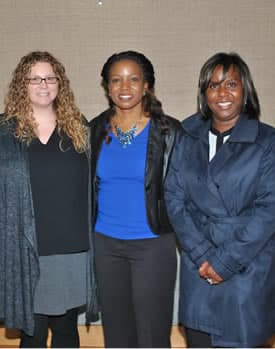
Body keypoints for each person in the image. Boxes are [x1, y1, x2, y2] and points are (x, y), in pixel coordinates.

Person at [164, 51, 275, 348]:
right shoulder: (186, 136)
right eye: (213, 85)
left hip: (245, 269)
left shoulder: (268, 141)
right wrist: (202, 254)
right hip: (198, 267)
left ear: (246, 91)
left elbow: (269, 211)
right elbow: (173, 198)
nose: (222, 93)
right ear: (204, 93)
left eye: (231, 84)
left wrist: (225, 262)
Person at [0, 51, 98, 348]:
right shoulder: (4, 130)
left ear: (60, 83)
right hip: (25, 248)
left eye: (50, 77)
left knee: (67, 331)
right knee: (33, 333)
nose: (43, 84)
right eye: (34, 79)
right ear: (22, 84)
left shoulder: (79, 127)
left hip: (71, 247)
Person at [90, 50, 181, 348]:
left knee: (152, 337)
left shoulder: (170, 131)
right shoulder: (94, 129)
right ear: (106, 87)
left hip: (152, 245)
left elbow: (185, 192)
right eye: (116, 80)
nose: (124, 87)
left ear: (147, 86)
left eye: (133, 79)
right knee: (117, 335)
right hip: (105, 245)